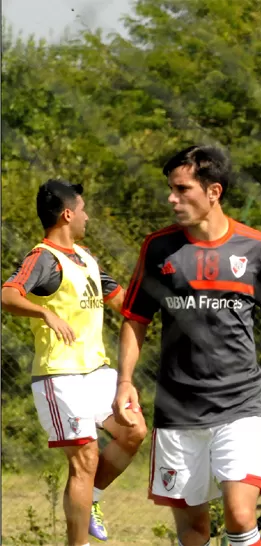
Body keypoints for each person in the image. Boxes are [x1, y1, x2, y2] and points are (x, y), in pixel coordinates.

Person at [111, 145, 261, 546]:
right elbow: (135, 319)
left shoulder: (256, 248)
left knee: (241, 516)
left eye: (182, 189)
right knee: (194, 532)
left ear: (214, 192)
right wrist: (125, 382)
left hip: (240, 404)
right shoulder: (158, 249)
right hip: (177, 409)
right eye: (170, 189)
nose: (172, 199)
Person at [0, 179, 147, 546]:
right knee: (84, 459)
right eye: (83, 210)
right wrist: (44, 314)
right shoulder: (43, 258)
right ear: (68, 214)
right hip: (60, 375)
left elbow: (123, 302)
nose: (88, 216)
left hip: (97, 371)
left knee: (134, 431)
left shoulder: (86, 258)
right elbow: (7, 294)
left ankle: (92, 499)